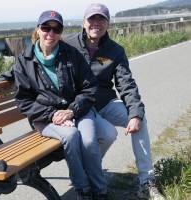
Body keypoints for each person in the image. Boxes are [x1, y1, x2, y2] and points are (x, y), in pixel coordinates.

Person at [65, 3, 165, 200]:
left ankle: (146, 181)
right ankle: (89, 174)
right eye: (92, 18)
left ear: (107, 24)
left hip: (104, 103)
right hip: (80, 107)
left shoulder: (114, 50)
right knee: (103, 135)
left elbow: (126, 84)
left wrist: (135, 113)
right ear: (84, 22)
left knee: (140, 119)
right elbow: (40, 58)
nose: (96, 23)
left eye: (101, 19)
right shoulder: (68, 45)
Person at [12, 10, 109, 200]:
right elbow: (23, 101)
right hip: (45, 118)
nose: (51, 33)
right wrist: (52, 115)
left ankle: (100, 190)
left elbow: (90, 88)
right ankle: (83, 189)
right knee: (71, 135)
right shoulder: (24, 60)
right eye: (46, 27)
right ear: (38, 30)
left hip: (78, 111)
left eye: (56, 29)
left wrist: (71, 111)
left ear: (61, 32)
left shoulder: (71, 54)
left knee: (89, 141)